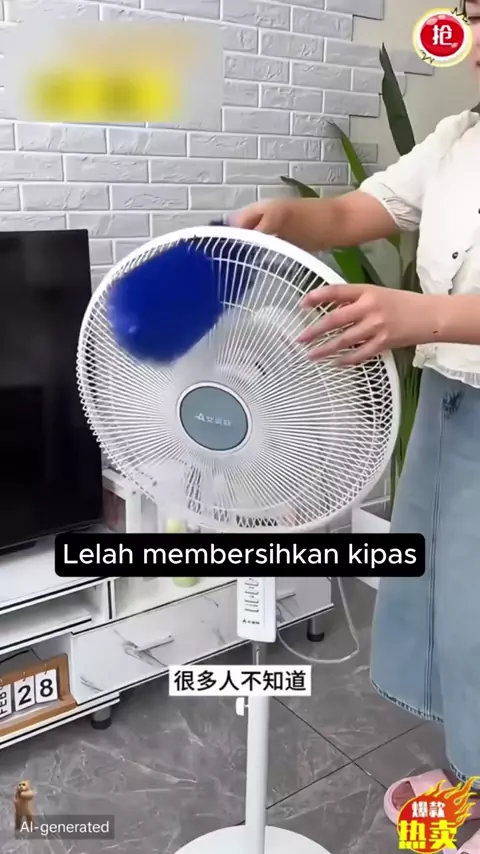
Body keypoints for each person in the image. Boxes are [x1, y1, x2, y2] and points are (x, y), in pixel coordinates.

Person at [232, 3, 480, 850]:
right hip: (448, 405)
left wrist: (424, 316)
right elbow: (357, 213)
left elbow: (432, 310)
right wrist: (286, 218)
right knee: (444, 605)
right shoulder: (457, 138)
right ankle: (467, 773)